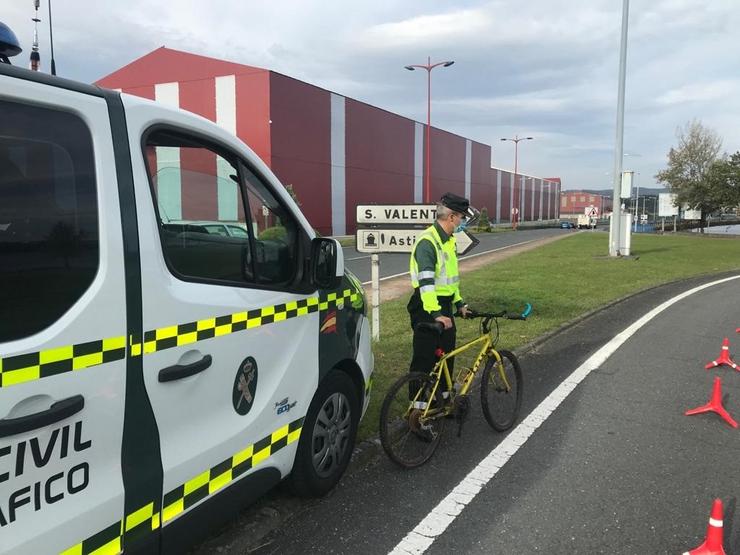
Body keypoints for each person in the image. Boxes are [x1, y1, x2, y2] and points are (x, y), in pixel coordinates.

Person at [407, 192, 475, 387]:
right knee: (424, 357)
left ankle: (443, 400)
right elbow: (426, 283)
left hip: (444, 304)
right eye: (462, 217)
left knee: (446, 355)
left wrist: (459, 302)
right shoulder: (428, 241)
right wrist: (436, 313)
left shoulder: (449, 240)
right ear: (451, 217)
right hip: (426, 306)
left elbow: (450, 280)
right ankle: (417, 407)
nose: (463, 222)